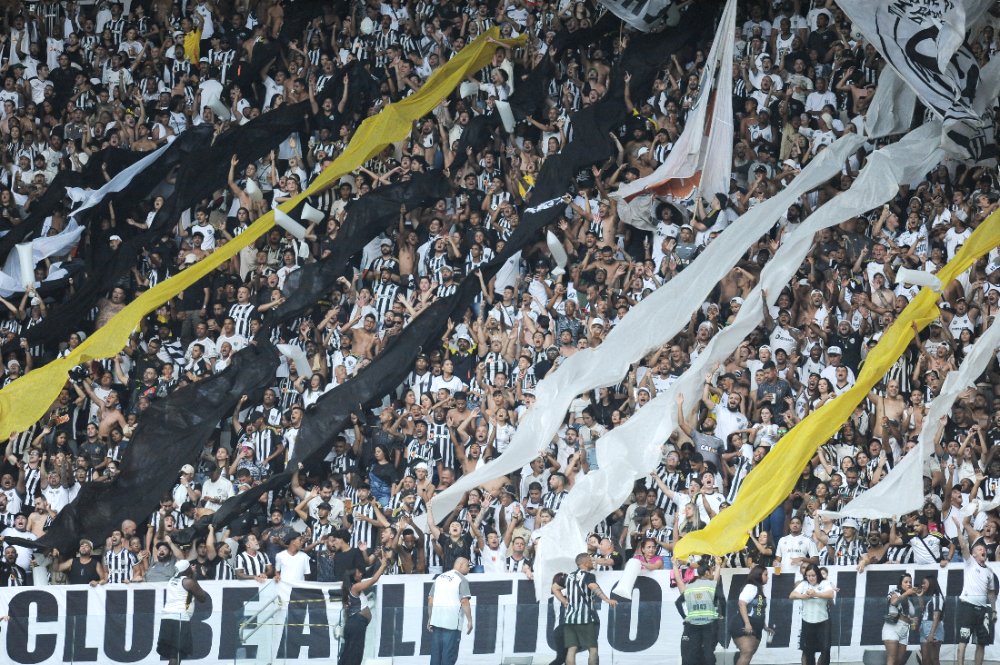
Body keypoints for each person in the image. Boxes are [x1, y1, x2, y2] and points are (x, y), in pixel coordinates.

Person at [553, 552, 618, 665]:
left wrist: (564, 601)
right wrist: (607, 600)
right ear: (584, 563)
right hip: (586, 618)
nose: (592, 561)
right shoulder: (589, 576)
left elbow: (554, 588)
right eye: (590, 559)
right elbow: (594, 587)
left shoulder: (569, 576)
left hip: (570, 618)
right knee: (592, 649)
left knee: (571, 649)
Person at [339, 550, 390, 665]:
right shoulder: (355, 587)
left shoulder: (349, 588)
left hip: (354, 624)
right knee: (355, 655)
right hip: (357, 624)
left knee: (348, 653)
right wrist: (383, 566)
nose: (361, 574)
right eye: (358, 573)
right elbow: (373, 580)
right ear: (353, 575)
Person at [956, 523, 997, 665]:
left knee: (982, 643)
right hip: (967, 606)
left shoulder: (989, 572)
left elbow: (991, 593)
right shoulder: (970, 563)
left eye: (984, 549)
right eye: (979, 548)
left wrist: (993, 610)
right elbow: (962, 546)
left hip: (983, 609)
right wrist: (957, 528)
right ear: (973, 554)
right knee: (963, 640)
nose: (983, 550)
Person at [156, 560, 209, 665]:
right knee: (177, 653)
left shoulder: (171, 580)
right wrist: (194, 575)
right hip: (179, 618)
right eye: (190, 567)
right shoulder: (188, 582)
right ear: (187, 569)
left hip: (167, 617)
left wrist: (191, 574)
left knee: (173, 653)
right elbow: (203, 597)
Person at [673, 555, 723, 665]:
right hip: (702, 627)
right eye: (711, 570)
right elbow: (716, 578)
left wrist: (675, 566)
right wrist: (718, 565)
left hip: (696, 626)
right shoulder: (708, 586)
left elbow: (679, 582)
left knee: (697, 656)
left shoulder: (695, 588)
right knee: (702, 656)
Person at [427, 557, 473, 665]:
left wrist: (430, 618)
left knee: (435, 656)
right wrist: (470, 620)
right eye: (467, 566)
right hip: (452, 623)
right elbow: (465, 601)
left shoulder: (439, 577)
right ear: (460, 565)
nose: (469, 569)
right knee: (449, 657)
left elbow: (430, 599)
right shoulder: (462, 579)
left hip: (437, 621)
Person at [790, 563, 836, 665]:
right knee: (809, 651)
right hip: (808, 622)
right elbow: (792, 595)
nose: (811, 578)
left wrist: (816, 594)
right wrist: (803, 596)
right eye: (808, 575)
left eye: (813, 575)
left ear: (818, 574)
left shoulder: (824, 583)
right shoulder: (803, 584)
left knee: (825, 649)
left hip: (823, 621)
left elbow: (830, 594)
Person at [731, 564, 769, 665]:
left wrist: (764, 626)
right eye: (766, 575)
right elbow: (742, 604)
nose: (767, 577)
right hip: (744, 624)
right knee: (747, 652)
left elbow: (759, 609)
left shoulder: (759, 588)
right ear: (758, 575)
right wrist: (747, 623)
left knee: (749, 654)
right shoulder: (751, 587)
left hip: (757, 626)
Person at [883, 573, 918, 665]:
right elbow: (894, 602)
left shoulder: (910, 599)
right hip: (892, 628)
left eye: (910, 582)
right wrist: (906, 593)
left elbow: (911, 615)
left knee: (900, 661)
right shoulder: (894, 592)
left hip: (904, 630)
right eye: (906, 582)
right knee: (892, 658)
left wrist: (912, 620)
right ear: (900, 584)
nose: (909, 584)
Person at [919, 575, 945, 665]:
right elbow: (922, 609)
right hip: (924, 627)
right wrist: (920, 596)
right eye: (922, 583)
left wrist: (932, 633)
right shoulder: (928, 597)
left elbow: (937, 616)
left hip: (933, 628)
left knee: (934, 659)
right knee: (925, 660)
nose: (922, 585)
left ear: (931, 584)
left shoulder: (937, 596)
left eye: (924, 583)